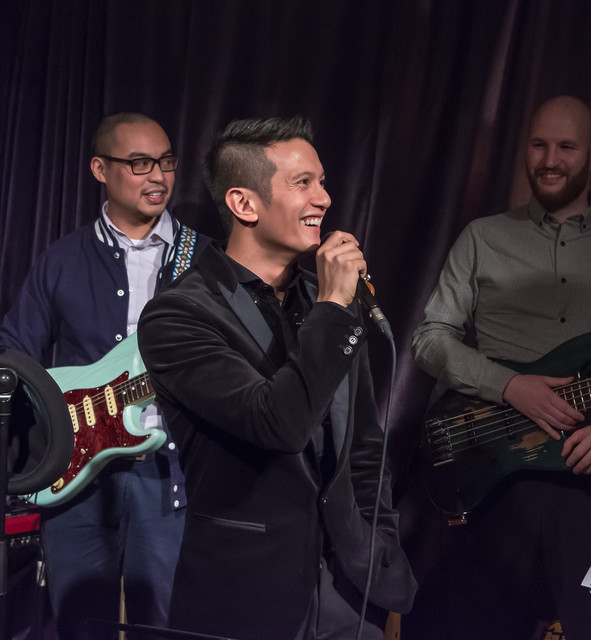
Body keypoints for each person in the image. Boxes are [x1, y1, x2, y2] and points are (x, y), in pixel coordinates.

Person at [136, 115, 416, 639]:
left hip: (349, 593)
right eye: (302, 183)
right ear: (245, 204)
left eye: (322, 181)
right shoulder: (179, 316)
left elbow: (363, 446)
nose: (324, 199)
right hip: (245, 593)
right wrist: (333, 307)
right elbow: (277, 424)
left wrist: (379, 548)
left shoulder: (328, 302)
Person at [410, 96, 591, 639]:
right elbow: (430, 340)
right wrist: (509, 386)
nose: (550, 160)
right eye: (539, 145)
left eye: (566, 147)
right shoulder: (483, 237)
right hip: (490, 469)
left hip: (588, 470)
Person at [0, 112, 211, 638]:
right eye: (140, 163)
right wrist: (40, 438)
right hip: (74, 476)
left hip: (168, 474)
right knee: (79, 623)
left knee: (163, 624)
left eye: (166, 161)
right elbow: (14, 353)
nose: (158, 176)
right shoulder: (61, 259)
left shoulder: (207, 261)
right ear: (100, 169)